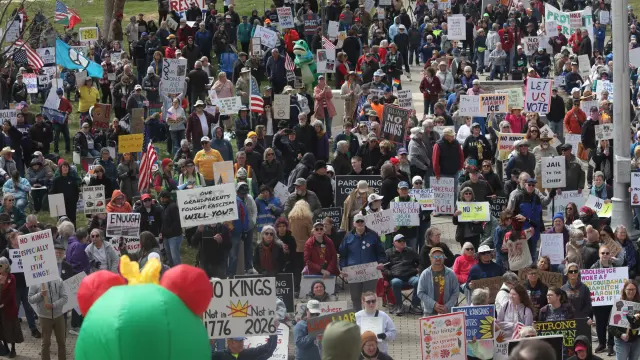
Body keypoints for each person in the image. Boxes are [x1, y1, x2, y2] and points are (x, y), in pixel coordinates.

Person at [340, 214, 386, 311]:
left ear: (365, 223)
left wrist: (381, 262)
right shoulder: (348, 237)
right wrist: (342, 268)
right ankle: (357, 319)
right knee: (355, 297)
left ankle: (370, 318)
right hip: (353, 272)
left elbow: (381, 252)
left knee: (369, 297)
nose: (360, 223)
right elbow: (343, 255)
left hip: (370, 271)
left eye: (362, 221)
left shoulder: (373, 235)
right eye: (358, 222)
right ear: (354, 224)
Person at [28, 273, 67, 360]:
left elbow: (65, 297)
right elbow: (30, 299)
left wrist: (53, 305)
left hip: (58, 316)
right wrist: (40, 294)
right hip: (44, 317)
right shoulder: (35, 281)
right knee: (45, 343)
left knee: (62, 342)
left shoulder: (58, 280)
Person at [384, 234, 421, 316]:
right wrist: (390, 274)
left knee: (419, 281)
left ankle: (414, 305)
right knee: (395, 282)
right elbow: (384, 267)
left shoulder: (410, 250)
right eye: (400, 241)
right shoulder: (388, 252)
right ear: (394, 243)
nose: (402, 242)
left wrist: (418, 269)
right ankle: (399, 306)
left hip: (410, 276)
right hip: (396, 277)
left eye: (404, 240)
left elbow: (420, 261)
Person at [417, 247, 459, 316]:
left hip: (447, 312)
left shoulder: (451, 273)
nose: (438, 259)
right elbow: (420, 292)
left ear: (444, 258)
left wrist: (447, 306)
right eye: (435, 256)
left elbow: (456, 292)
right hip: (429, 312)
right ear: (430, 258)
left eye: (441, 256)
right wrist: (434, 304)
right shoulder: (425, 274)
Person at [592, 245, 618, 355]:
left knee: (612, 323)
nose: (605, 255)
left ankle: (611, 345)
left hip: (613, 300)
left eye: (607, 253)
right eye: (603, 253)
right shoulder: (594, 268)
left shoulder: (616, 267)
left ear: (610, 254)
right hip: (599, 301)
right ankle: (602, 343)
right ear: (599, 255)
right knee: (600, 323)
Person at [608, 280, 640, 360]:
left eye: (633, 289)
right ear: (624, 290)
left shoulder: (639, 304)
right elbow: (611, 326)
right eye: (629, 289)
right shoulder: (618, 305)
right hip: (621, 340)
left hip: (636, 339)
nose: (631, 292)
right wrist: (620, 335)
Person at [0, 257, 22, 358]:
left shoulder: (11, 277)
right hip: (0, 309)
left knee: (11, 329)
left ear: (6, 266)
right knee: (2, 329)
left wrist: (3, 303)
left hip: (9, 307)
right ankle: (5, 347)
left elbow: (11, 293)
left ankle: (13, 349)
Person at [50, 161, 80, 225]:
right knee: (62, 220)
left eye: (67, 167)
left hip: (71, 203)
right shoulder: (56, 180)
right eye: (64, 167)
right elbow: (52, 192)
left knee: (72, 219)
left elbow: (76, 191)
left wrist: (75, 200)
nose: (65, 168)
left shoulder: (72, 179)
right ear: (61, 168)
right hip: (60, 203)